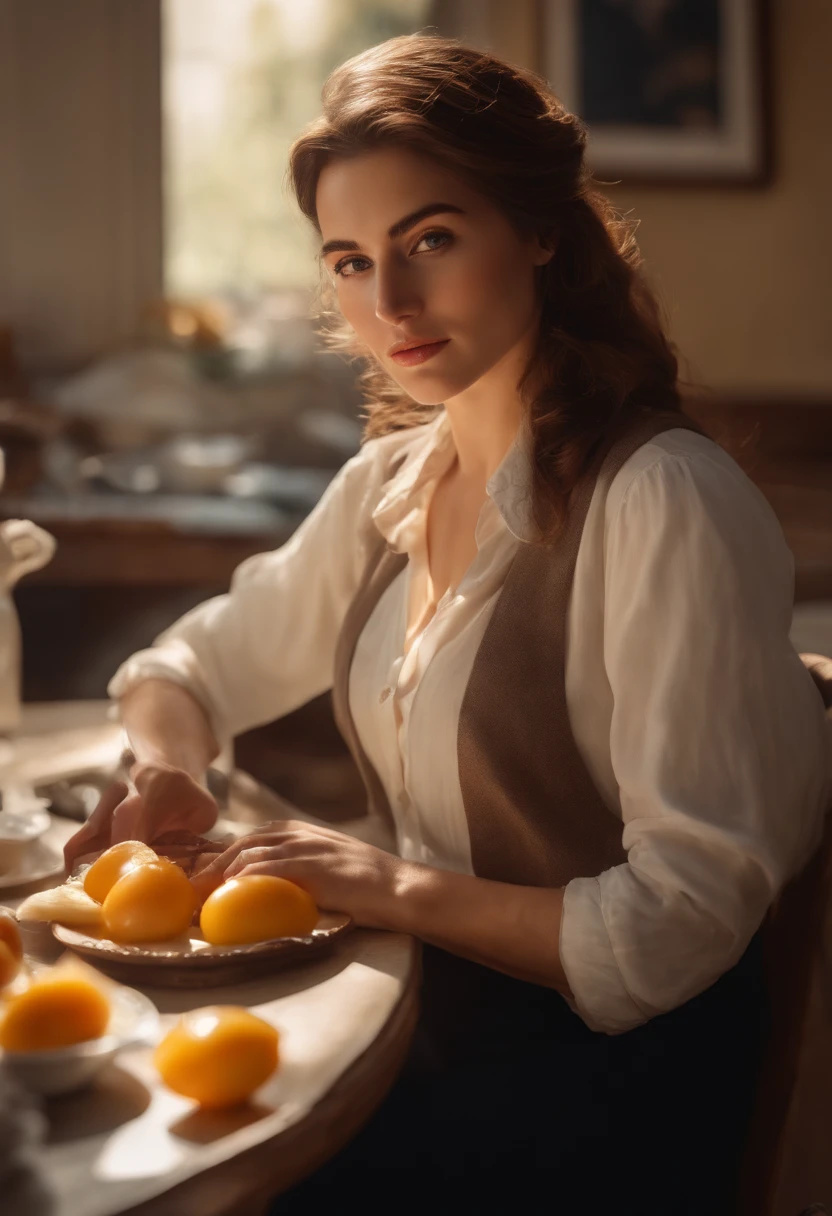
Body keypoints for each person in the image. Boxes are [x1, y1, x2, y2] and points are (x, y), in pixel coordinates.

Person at [64, 33, 831, 1214]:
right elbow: (189, 664)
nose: (391, 303)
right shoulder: (393, 482)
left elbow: (674, 928)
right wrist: (169, 764)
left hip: (590, 1101)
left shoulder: (660, 499)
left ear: (538, 232)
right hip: (414, 1026)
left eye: (430, 239)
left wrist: (384, 884)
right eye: (349, 261)